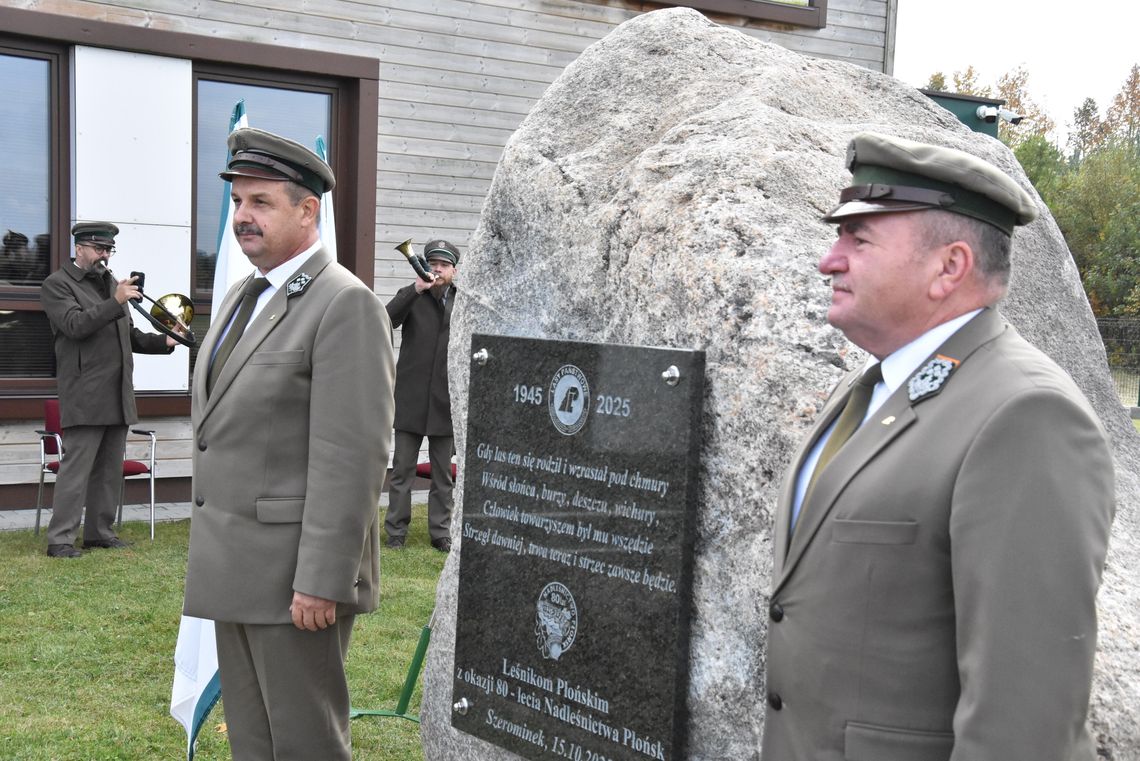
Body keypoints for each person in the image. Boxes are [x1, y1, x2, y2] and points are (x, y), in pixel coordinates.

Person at [762, 133, 1115, 760]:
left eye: (858, 239)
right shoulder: (872, 386)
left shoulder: (1027, 416)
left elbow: (1025, 725)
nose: (829, 260)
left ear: (949, 267)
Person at [182, 127, 394, 760]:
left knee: (304, 744)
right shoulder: (247, 296)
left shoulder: (343, 304)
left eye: (261, 202)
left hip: (297, 582)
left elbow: (350, 455)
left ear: (309, 211)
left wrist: (322, 581)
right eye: (238, 202)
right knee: (253, 742)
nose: (243, 217)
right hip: (236, 565)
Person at [39, 221, 177, 558]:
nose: (104, 256)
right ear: (79, 248)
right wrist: (115, 301)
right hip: (85, 393)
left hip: (117, 392)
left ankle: (99, 532)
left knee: (109, 469)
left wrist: (166, 341)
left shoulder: (112, 285)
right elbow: (75, 326)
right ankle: (60, 539)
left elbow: (129, 336)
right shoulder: (57, 285)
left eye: (109, 250)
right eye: (99, 248)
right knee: (77, 470)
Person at [384, 239, 459, 553]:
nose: (438, 269)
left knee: (443, 473)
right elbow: (385, 318)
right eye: (433, 263)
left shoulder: (462, 301)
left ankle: (440, 532)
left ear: (454, 269)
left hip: (446, 399)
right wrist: (415, 289)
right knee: (402, 469)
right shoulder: (412, 295)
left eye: (444, 265)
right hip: (411, 396)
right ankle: (396, 532)